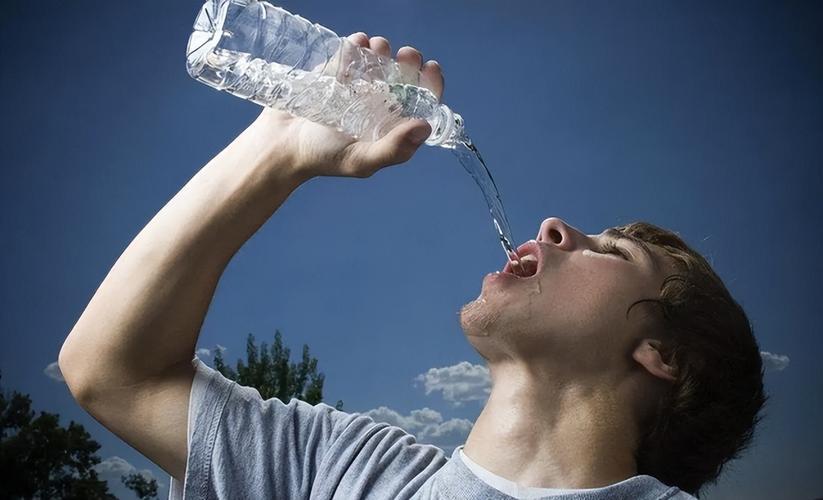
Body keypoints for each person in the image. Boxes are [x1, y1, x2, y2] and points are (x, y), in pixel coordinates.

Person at [59, 32, 765, 499]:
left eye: (611, 252)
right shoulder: (343, 472)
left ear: (662, 355)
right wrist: (277, 149)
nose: (555, 227)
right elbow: (112, 374)